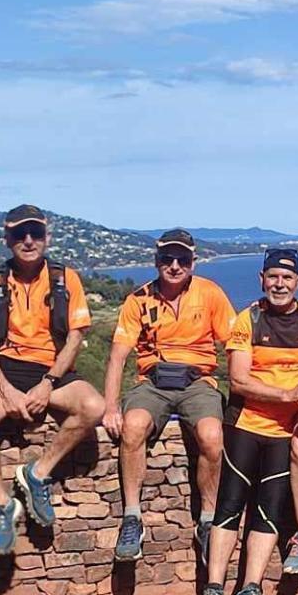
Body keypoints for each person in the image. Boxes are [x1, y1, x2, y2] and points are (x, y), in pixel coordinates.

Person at [192, 249, 298, 595]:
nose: (279, 284)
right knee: (229, 507)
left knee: (268, 512)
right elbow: (238, 379)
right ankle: (213, 590)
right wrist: (286, 394)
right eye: (273, 277)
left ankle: (250, 588)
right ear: (262, 279)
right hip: (246, 426)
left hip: (287, 433)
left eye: (287, 278)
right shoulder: (247, 320)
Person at [0, 205, 105, 556]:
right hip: (5, 367)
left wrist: (48, 382)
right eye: (19, 234)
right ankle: (2, 504)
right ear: (7, 239)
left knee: (93, 407)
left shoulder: (64, 278)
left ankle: (37, 473)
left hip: (51, 369)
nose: (28, 241)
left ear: (47, 237)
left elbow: (74, 338)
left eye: (35, 234)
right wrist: (6, 390)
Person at [105, 228, 235, 563]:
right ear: (156, 260)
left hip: (199, 382)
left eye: (182, 259)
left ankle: (207, 520)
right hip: (152, 382)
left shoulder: (211, 294)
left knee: (211, 435)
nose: (175, 265)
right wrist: (109, 407)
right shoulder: (139, 299)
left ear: (193, 261)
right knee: (132, 427)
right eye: (167, 258)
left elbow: (234, 345)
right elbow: (118, 354)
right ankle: (132, 517)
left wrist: (240, 395)